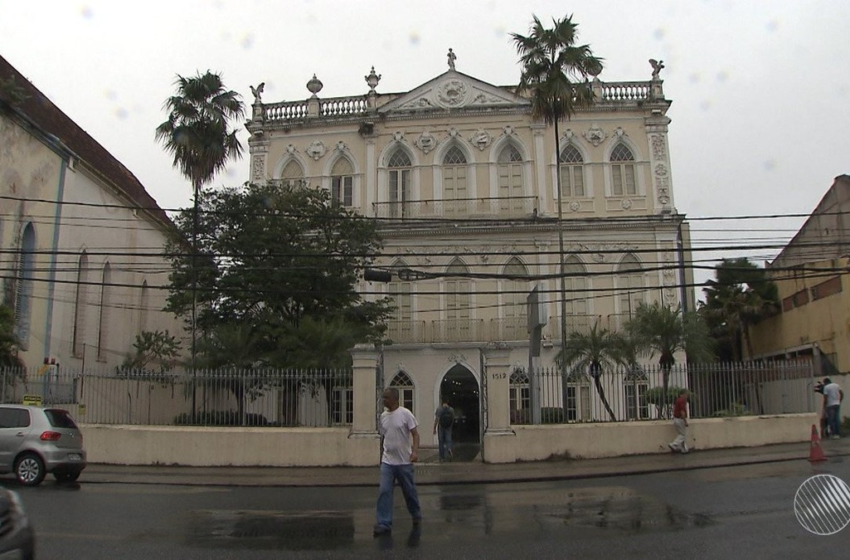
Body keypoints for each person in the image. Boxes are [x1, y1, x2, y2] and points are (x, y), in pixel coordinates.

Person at [373, 388, 422, 537]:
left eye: (386, 398)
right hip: (388, 462)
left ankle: (416, 513)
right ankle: (384, 523)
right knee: (384, 491)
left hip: (404, 462)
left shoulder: (405, 414)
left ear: (395, 399)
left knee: (409, 491)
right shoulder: (383, 417)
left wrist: (414, 452)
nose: (384, 400)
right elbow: (384, 436)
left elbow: (415, 434)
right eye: (383, 398)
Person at [667, 389, 690, 454]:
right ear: (682, 394)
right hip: (680, 419)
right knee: (683, 434)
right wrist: (685, 421)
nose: (687, 396)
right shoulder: (682, 401)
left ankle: (684, 449)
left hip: (676, 419)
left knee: (681, 434)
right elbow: (682, 412)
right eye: (686, 394)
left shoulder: (678, 400)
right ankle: (674, 444)